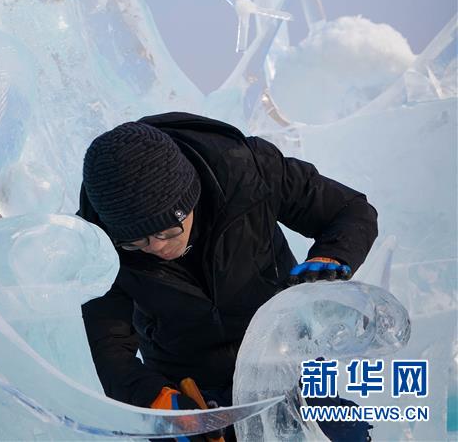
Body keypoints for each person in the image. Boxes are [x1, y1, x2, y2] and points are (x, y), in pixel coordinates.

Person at [78, 112, 378, 441]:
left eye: (167, 231)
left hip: (285, 362)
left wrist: (331, 256)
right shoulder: (97, 244)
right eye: (137, 242)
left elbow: (349, 210)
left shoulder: (248, 171)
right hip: (192, 391)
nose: (156, 248)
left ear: (189, 198)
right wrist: (160, 401)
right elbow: (110, 350)